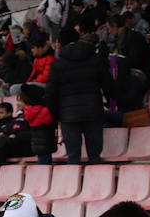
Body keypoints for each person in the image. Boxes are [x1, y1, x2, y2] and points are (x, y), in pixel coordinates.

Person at [45, 33, 113, 165]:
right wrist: (110, 100)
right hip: (93, 110)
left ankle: (73, 184)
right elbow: (108, 84)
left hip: (68, 114)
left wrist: (56, 114)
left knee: (73, 156)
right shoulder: (95, 59)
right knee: (95, 155)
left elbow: (50, 93)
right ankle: (99, 183)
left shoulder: (57, 64)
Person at [105, 14, 150, 113]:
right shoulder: (121, 39)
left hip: (143, 75)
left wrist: (120, 61)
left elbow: (135, 59)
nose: (109, 32)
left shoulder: (134, 37)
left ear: (115, 25)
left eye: (109, 28)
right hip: (134, 75)